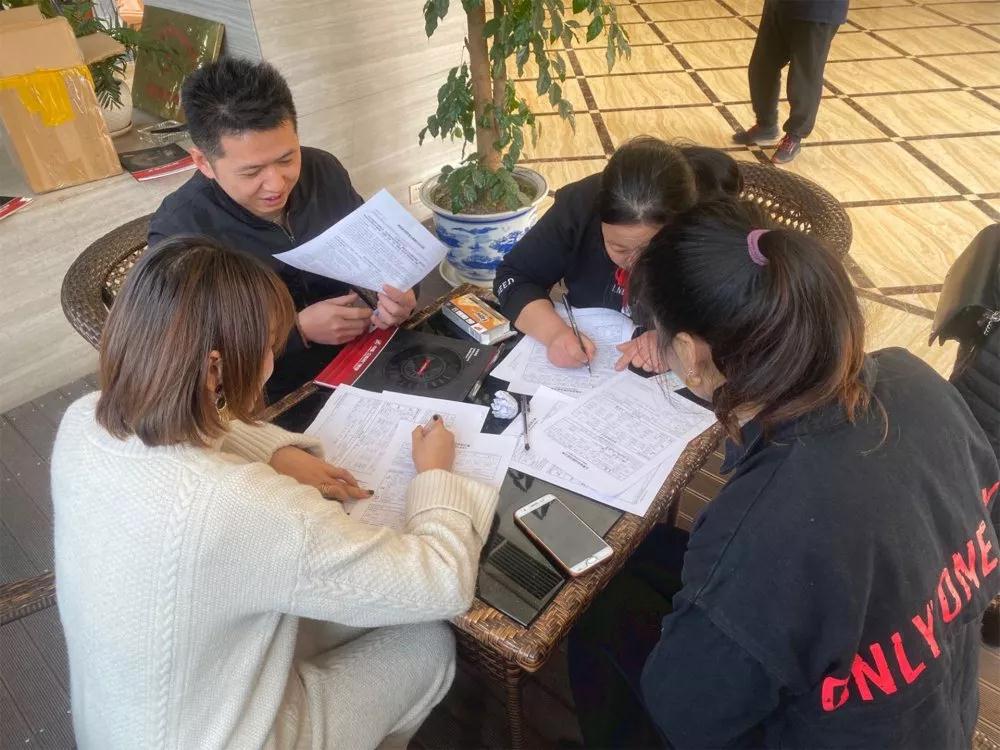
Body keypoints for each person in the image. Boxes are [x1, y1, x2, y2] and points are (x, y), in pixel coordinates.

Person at [567, 201, 1000, 748]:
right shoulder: (915, 379)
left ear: (690, 354)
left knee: (596, 618)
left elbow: (685, 712)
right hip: (937, 713)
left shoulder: (765, 527)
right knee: (640, 560)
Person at [51, 237, 499, 750]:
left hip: (118, 726)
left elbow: (201, 431)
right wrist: (435, 475)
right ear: (215, 369)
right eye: (267, 346)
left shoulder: (83, 419)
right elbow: (443, 583)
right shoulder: (243, 506)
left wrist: (276, 451)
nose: (272, 358)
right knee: (426, 643)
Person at [148, 58, 418, 402]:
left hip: (366, 351)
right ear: (203, 162)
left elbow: (384, 251)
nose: (276, 184)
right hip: (270, 390)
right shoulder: (180, 230)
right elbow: (188, 359)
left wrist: (404, 294)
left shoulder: (323, 170)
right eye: (252, 172)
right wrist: (296, 331)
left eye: (287, 159)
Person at [493, 139, 741, 375]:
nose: (634, 263)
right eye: (619, 248)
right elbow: (514, 277)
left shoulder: (709, 231)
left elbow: (740, 323)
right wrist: (554, 334)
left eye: (649, 251)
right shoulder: (580, 206)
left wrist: (675, 341)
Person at [732, 0, 849, 164]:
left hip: (817, 10)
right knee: (762, 65)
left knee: (803, 76)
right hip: (780, 5)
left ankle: (794, 136)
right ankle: (766, 124)